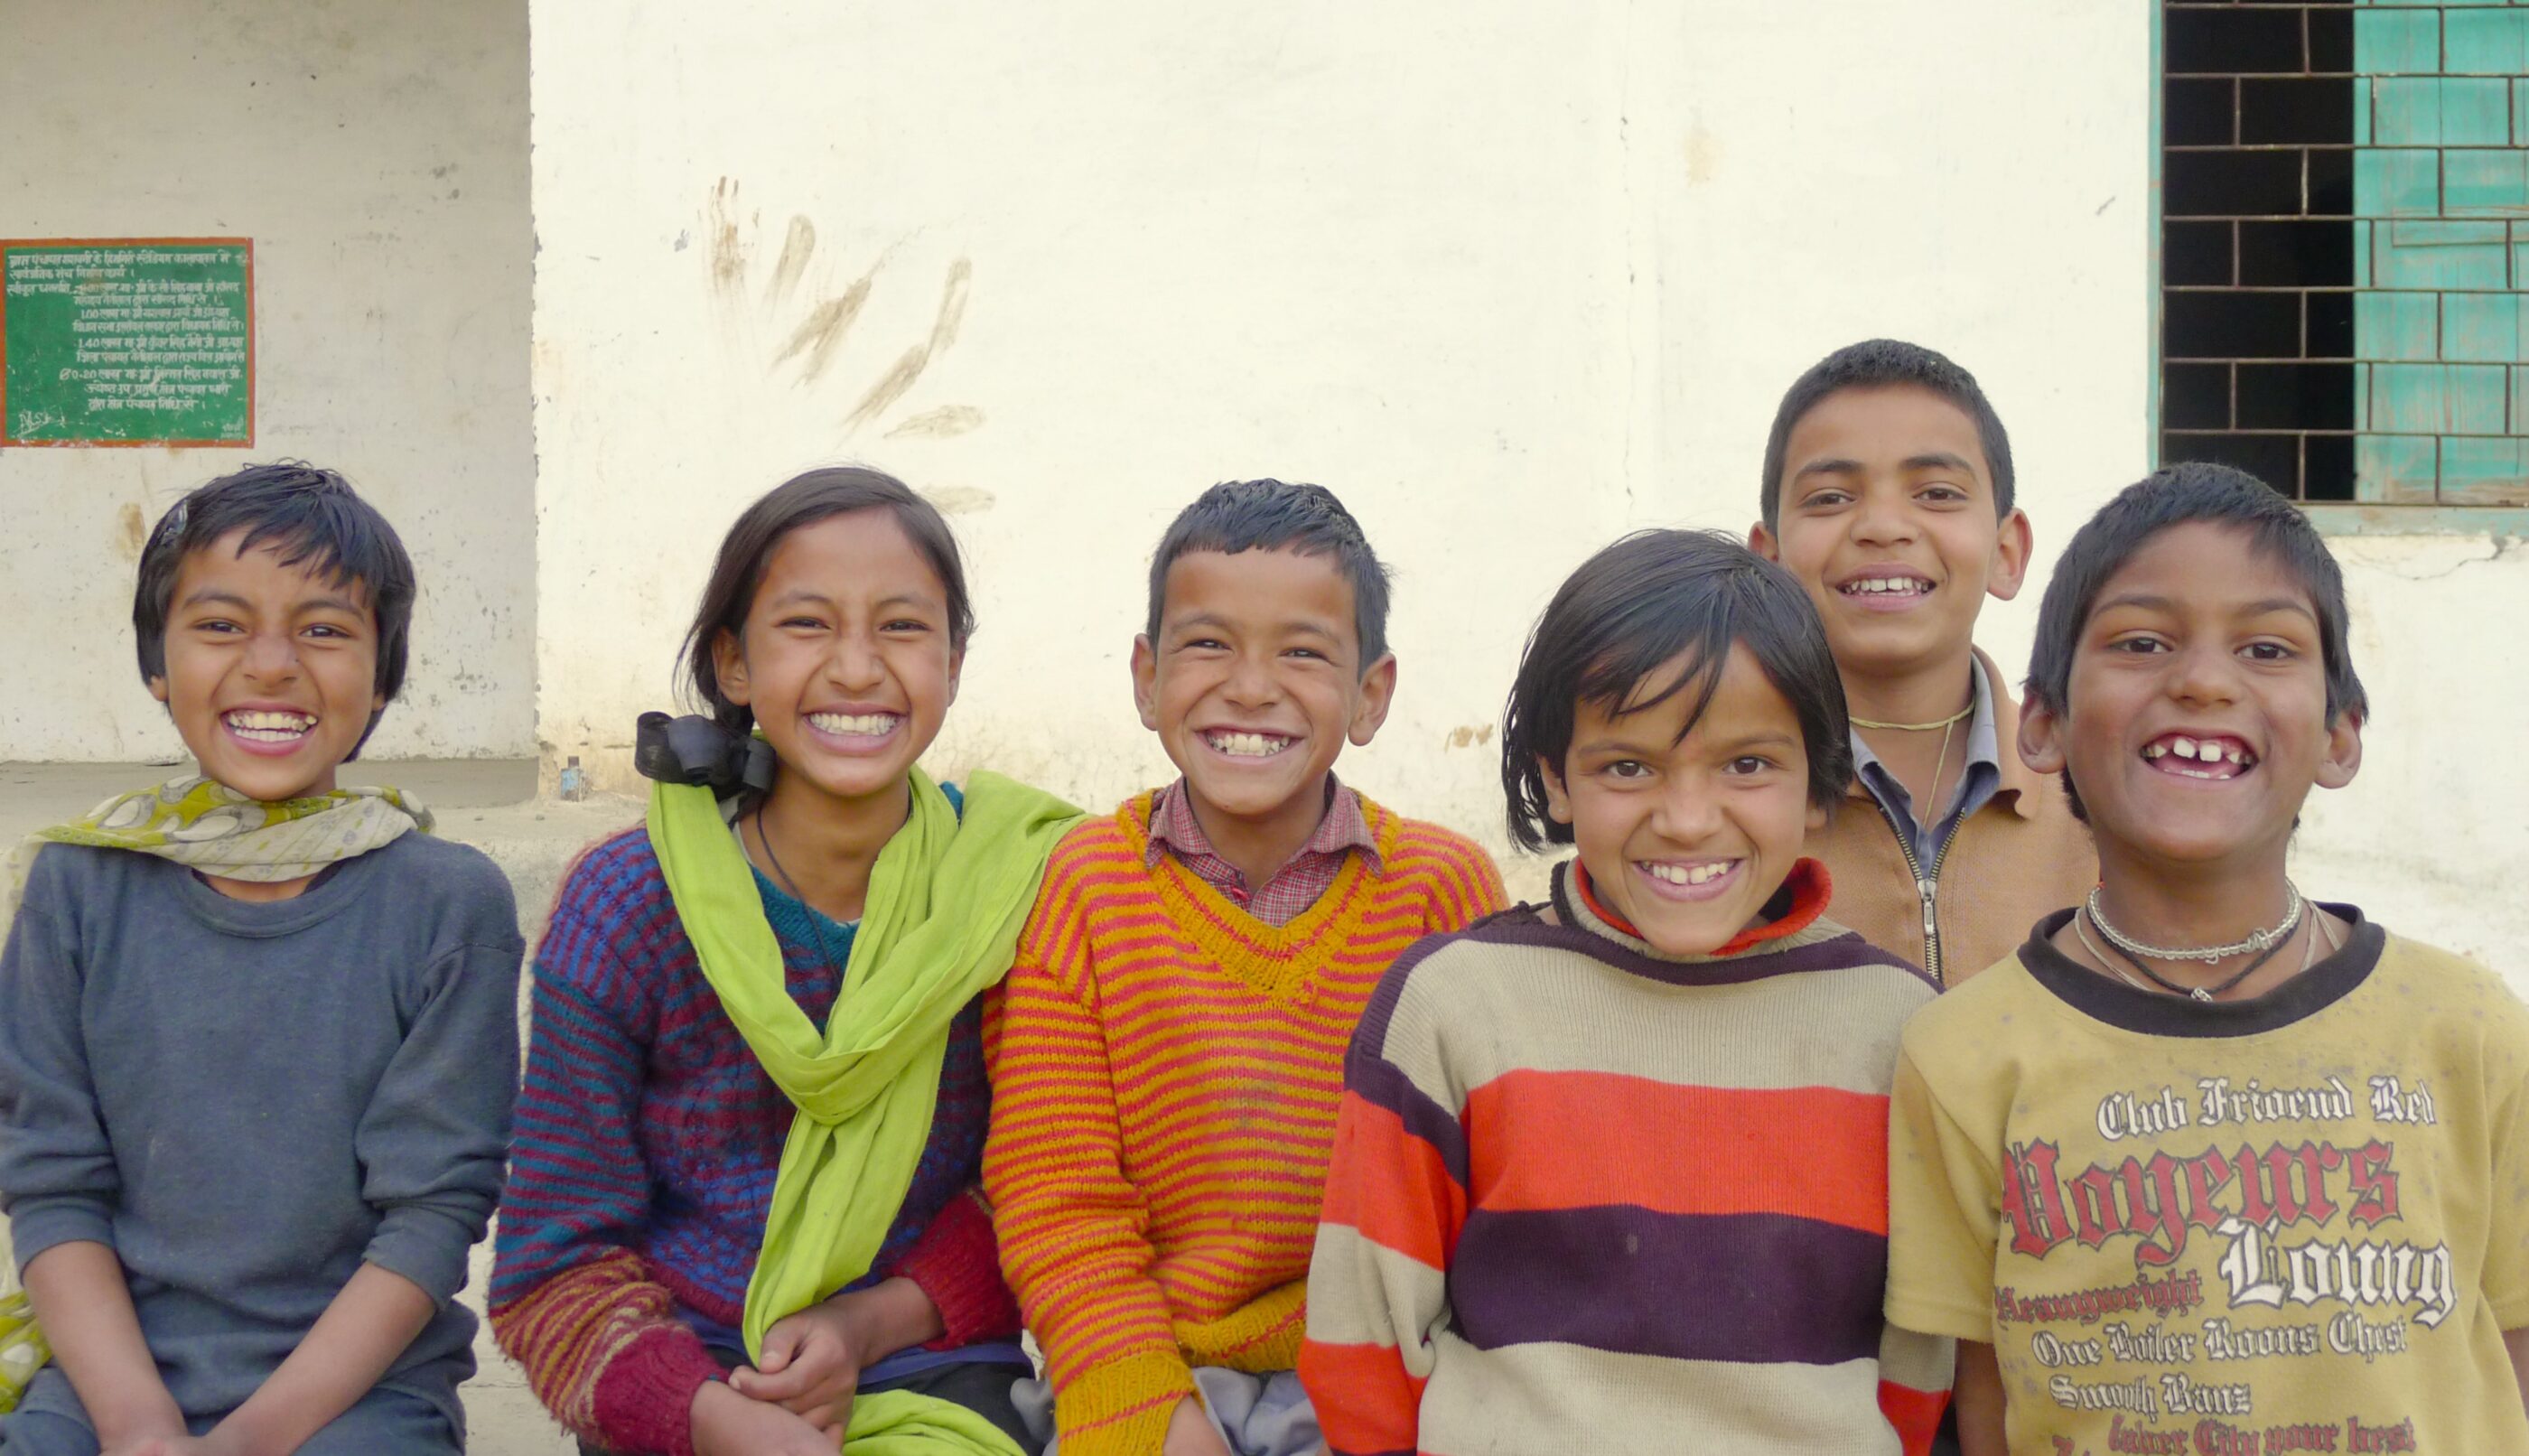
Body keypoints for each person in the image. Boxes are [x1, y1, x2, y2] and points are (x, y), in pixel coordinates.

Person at [1885, 462, 2529, 1451]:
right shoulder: (1962, 1056)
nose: (2201, 680)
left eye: (2266, 647)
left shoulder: (2468, 1028)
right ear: (2044, 725)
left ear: (2340, 733)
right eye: (2141, 642)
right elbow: (1986, 1410)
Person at [1301, 528, 1951, 1455]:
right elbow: (1363, 1344)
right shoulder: (1454, 1006)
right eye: (1628, 766)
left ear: (1820, 784)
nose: (1687, 820)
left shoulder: (1895, 1028)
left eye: (1748, 764)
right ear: (1553, 778)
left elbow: (1918, 1362)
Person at [490, 468, 1079, 1456]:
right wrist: (723, 1422)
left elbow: (1039, 1188)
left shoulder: (1012, 893)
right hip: (684, 1379)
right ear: (733, 664)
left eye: (900, 627)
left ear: (954, 660)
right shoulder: (630, 906)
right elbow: (553, 1261)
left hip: (930, 1363)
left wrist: (865, 1325)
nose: (856, 669)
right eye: (807, 625)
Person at [0, 463, 522, 1456]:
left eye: (324, 629)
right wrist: (143, 1428)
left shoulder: (445, 903)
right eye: (221, 625)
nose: (272, 664)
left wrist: (243, 1446)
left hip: (356, 1402)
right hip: (111, 1384)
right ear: (159, 666)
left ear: (383, 677)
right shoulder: (79, 885)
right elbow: (53, 1183)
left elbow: (430, 1215)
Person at [985, 481, 1504, 1456]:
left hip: (1388, 1370)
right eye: (1207, 644)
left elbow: (1495, 1190)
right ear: (1145, 678)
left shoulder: (1441, 892)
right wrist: (1154, 1412)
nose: (1252, 687)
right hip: (1150, 1365)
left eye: (1303, 652)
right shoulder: (1087, 887)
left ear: (1370, 694)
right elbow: (1056, 1197)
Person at [1752, 339, 2094, 985]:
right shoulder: (1722, 797)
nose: (1883, 526)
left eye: (1936, 493)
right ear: (1766, 561)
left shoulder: (2098, 790)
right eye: (1829, 497)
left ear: (2006, 551)